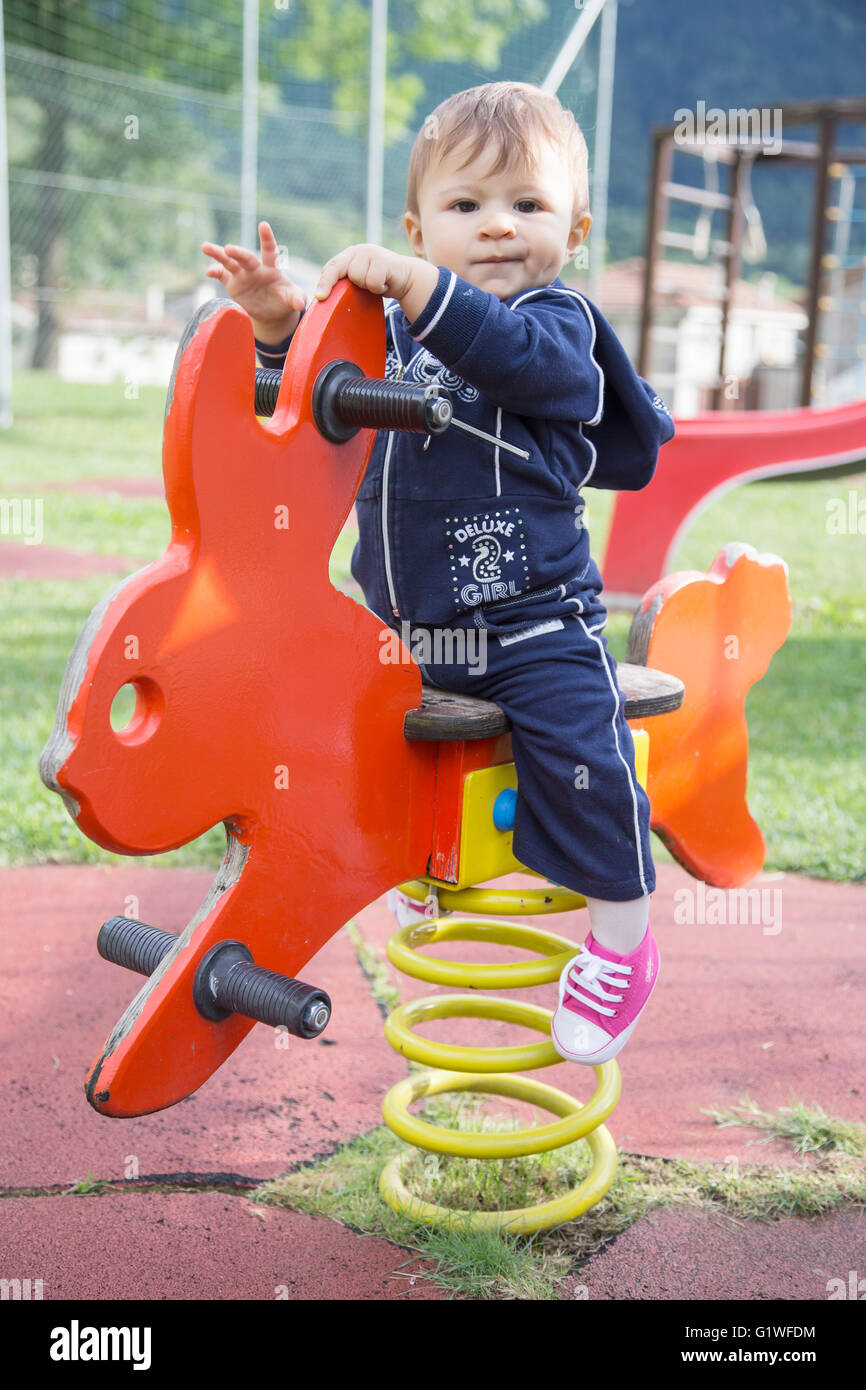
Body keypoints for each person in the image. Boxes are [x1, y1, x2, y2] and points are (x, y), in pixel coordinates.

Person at [201, 81, 675, 1066]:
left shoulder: (559, 326)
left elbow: (519, 365)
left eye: (527, 206)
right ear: (419, 226)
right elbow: (297, 424)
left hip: (535, 625)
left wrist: (421, 288)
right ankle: (396, 853)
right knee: (339, 733)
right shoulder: (392, 338)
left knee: (582, 756)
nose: (497, 227)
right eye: (465, 207)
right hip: (403, 630)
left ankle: (621, 946)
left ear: (575, 229)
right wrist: (278, 332)